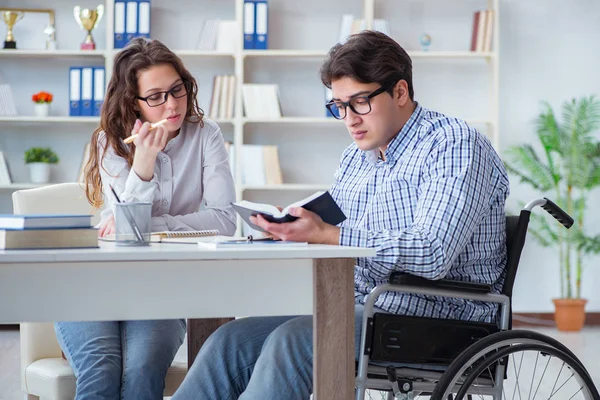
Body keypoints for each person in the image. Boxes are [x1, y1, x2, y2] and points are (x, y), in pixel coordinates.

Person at [172, 30, 509, 400]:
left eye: (360, 102)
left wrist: (327, 234)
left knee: (293, 343)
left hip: (441, 318)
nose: (349, 119)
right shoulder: (356, 158)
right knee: (229, 342)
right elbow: (334, 237)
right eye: (339, 106)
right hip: (361, 305)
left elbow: (431, 252)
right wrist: (288, 231)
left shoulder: (454, 145)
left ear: (399, 92)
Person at [54, 37, 236, 399]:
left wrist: (152, 226)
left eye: (176, 89)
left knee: (141, 373)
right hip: (93, 286)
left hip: (161, 287)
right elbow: (126, 232)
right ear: (132, 102)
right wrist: (144, 164)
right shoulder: (110, 142)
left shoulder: (205, 134)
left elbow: (224, 220)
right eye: (155, 96)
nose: (172, 104)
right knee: (101, 371)